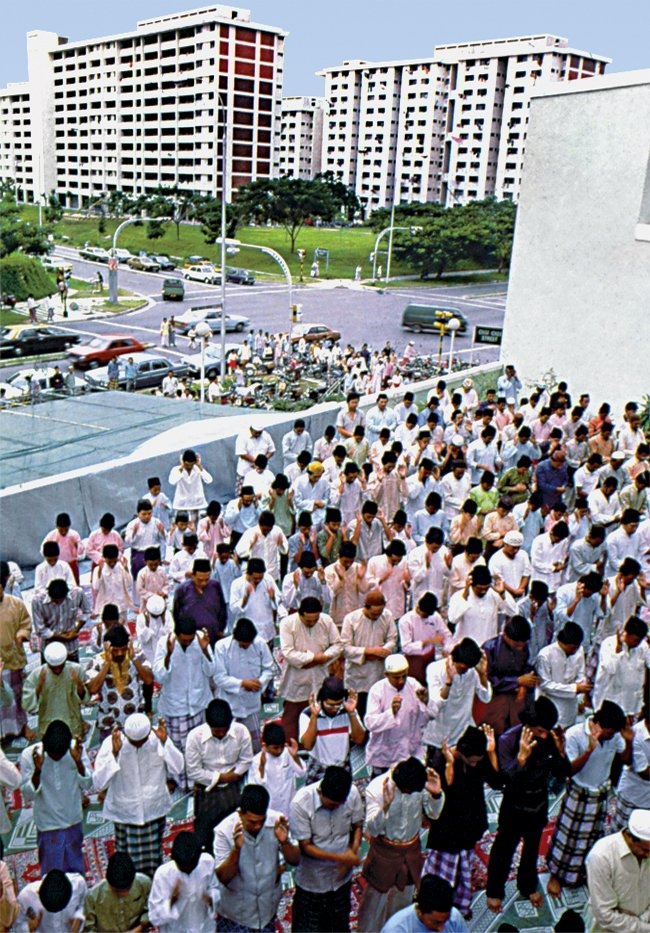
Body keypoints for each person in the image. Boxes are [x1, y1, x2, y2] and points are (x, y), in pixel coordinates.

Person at [485, 697, 571, 913]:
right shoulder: (508, 740)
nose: (544, 736)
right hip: (514, 807)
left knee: (532, 849)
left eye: (546, 731)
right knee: (504, 849)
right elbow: (502, 781)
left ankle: (527, 884)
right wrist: (521, 760)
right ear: (528, 725)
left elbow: (562, 774)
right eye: (540, 730)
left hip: (538, 804)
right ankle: (494, 890)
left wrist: (561, 753)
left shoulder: (550, 738)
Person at [546, 700, 631, 897]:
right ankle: (556, 875)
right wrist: (589, 750)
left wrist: (627, 740)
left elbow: (626, 759)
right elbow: (570, 770)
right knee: (567, 838)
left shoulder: (614, 736)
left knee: (590, 839)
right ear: (598, 723)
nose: (611, 736)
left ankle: (581, 874)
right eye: (609, 732)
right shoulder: (575, 734)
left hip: (599, 793)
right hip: (579, 792)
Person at [357, 758, 444, 932]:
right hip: (385, 852)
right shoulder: (376, 788)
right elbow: (373, 830)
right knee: (374, 903)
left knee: (403, 899)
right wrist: (386, 807)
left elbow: (434, 814)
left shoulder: (420, 780)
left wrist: (436, 795)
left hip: (411, 851)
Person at [423, 725, 501, 921]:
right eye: (472, 761)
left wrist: (491, 753)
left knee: (464, 869)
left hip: (470, 823)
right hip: (448, 828)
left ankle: (460, 905)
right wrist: (449, 765)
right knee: (443, 875)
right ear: (462, 753)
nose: (475, 764)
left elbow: (497, 780)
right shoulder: (442, 761)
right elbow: (445, 792)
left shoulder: (479, 758)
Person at [93, 712, 183, 877]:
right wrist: (114, 754)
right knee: (127, 865)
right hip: (125, 812)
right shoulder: (112, 743)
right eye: (134, 743)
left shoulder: (158, 737)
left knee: (154, 860)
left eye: (142, 742)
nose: (138, 746)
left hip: (153, 809)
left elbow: (178, 767)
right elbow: (98, 783)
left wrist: (165, 744)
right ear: (126, 735)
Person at [213, 784, 301, 933]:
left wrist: (285, 842)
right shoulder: (224, 831)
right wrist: (237, 849)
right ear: (241, 813)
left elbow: (295, 860)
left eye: (262, 820)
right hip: (236, 914)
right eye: (252, 822)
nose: (258, 826)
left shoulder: (276, 822)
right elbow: (223, 877)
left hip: (267, 909)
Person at [289, 765, 364, 933]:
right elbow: (305, 846)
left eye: (339, 805)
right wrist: (342, 859)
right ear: (320, 792)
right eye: (331, 805)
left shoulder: (352, 794)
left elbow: (357, 825)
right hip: (312, 881)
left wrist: (353, 850)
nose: (335, 808)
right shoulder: (301, 803)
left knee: (338, 926)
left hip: (340, 881)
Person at [21, 720, 92, 875]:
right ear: (44, 741)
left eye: (60, 756)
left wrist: (78, 762)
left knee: (76, 869)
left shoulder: (76, 750)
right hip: (48, 824)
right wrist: (37, 771)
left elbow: (88, 784)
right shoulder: (29, 755)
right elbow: (28, 795)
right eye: (53, 756)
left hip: (73, 818)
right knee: (52, 873)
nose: (57, 759)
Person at [153, 617, 215, 789]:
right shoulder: (163, 643)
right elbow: (160, 676)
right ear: (176, 634)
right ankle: (178, 780)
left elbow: (212, 670)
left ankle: (198, 779)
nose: (187, 643)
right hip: (176, 706)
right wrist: (168, 654)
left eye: (190, 640)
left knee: (198, 746)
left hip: (198, 703)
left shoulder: (200, 640)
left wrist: (205, 650)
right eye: (183, 640)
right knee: (177, 747)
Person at [185, 698, 253, 854]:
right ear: (209, 725)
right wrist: (221, 778)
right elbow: (194, 771)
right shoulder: (195, 737)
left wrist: (234, 775)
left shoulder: (241, 731)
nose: (221, 734)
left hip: (233, 787)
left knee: (235, 829)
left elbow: (246, 759)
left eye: (225, 730)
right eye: (217, 731)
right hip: (207, 789)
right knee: (205, 834)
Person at [279, 596, 342, 741]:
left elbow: (338, 645)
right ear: (300, 614)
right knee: (292, 718)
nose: (312, 623)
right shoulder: (288, 623)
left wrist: (325, 657)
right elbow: (288, 653)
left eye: (315, 620)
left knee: (319, 714)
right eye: (308, 621)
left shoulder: (326, 620)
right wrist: (313, 658)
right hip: (295, 677)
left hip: (320, 673)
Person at [213, 617, 274, 751]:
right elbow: (219, 677)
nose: (246, 646)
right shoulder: (222, 647)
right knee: (229, 746)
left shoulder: (260, 644)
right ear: (235, 638)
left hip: (251, 705)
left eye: (249, 643)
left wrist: (260, 683)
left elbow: (269, 669)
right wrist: (242, 684)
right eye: (243, 644)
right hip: (230, 705)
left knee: (254, 746)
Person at [365, 654, 431, 777]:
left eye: (404, 676)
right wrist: (392, 713)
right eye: (396, 677)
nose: (401, 681)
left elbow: (426, 719)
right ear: (386, 675)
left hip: (409, 749)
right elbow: (370, 723)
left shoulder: (413, 685)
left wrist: (425, 702)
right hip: (384, 752)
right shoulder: (377, 690)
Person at [423, 638, 490, 757]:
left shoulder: (472, 671)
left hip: (463, 732)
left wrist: (483, 674)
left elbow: (486, 698)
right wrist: (449, 681)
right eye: (462, 668)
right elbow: (436, 707)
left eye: (468, 668)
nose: (465, 671)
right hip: (438, 734)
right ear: (453, 659)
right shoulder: (434, 669)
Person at [585, 809, 650, 932]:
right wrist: (643, 928)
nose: (648, 856)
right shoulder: (601, 856)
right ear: (629, 837)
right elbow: (605, 915)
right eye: (645, 850)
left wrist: (644, 919)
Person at [85, 624, 153, 739]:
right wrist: (106, 664)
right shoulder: (97, 662)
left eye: (123, 649)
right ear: (107, 647)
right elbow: (92, 689)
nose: (120, 654)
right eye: (115, 650)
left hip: (134, 720)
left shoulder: (136, 655)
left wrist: (134, 659)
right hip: (109, 722)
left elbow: (148, 680)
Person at [340, 590, 398, 719]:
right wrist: (368, 651)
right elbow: (344, 648)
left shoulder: (387, 616)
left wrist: (382, 651)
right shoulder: (351, 619)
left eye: (379, 613)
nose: (377, 616)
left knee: (377, 714)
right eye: (374, 613)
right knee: (357, 714)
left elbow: (392, 640)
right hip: (357, 678)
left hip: (378, 672)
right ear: (365, 607)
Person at [299, 677, 365, 784]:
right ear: (321, 700)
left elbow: (359, 739)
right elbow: (307, 745)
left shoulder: (348, 711)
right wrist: (314, 717)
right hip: (318, 765)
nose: (335, 708)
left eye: (338, 704)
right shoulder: (307, 714)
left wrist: (352, 713)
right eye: (330, 705)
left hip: (342, 765)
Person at [148, 830, 216, 933]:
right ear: (172, 857)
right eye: (183, 870)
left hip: (204, 928)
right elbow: (154, 917)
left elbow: (216, 891)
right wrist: (172, 901)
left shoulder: (207, 862)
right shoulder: (163, 875)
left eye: (191, 869)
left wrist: (210, 898)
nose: (188, 873)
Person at [481, 615, 539, 737]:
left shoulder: (523, 647)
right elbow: (489, 681)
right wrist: (517, 681)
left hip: (518, 702)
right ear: (506, 636)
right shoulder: (490, 649)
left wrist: (524, 685)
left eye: (523, 644)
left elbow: (527, 668)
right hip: (496, 703)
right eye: (517, 645)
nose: (520, 648)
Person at [23, 640, 87, 739]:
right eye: (53, 668)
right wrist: (39, 686)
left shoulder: (76, 669)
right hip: (48, 723)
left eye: (60, 667)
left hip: (72, 722)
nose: (57, 670)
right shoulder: (36, 675)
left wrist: (79, 684)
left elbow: (84, 699)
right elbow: (28, 705)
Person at [592, 615, 650, 718]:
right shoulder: (608, 644)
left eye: (639, 641)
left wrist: (639, 706)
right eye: (635, 640)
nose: (637, 644)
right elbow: (610, 668)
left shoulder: (642, 647)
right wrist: (618, 650)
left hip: (632, 704)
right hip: (609, 701)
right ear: (626, 633)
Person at [536, 622, 590, 727]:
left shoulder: (579, 652)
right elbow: (545, 685)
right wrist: (574, 689)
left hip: (571, 707)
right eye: (573, 648)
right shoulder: (545, 655)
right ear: (565, 643)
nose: (576, 651)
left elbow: (581, 676)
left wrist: (580, 699)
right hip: (552, 706)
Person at [447, 565, 516, 646]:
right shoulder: (459, 596)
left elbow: (513, 612)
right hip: (466, 647)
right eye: (479, 589)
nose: (483, 591)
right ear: (471, 584)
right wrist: (465, 595)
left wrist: (502, 593)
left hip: (488, 647)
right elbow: (452, 619)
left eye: (486, 588)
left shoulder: (495, 594)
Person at [83, 852, 152, 933]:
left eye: (127, 889)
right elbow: (88, 928)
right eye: (117, 891)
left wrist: (140, 927)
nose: (123, 894)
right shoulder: (93, 897)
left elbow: (153, 910)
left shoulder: (144, 884)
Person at [247, 720, 305, 815]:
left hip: (289, 805)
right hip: (270, 808)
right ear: (264, 746)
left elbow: (301, 774)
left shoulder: (288, 753)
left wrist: (295, 757)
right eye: (275, 748)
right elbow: (256, 787)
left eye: (282, 747)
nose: (279, 751)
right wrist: (262, 766)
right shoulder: (256, 760)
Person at [0, 577, 32, 739]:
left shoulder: (15, 603)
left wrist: (21, 635)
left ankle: (22, 726)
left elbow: (26, 623)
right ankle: (3, 732)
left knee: (18, 695)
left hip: (13, 656)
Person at [379, 874, 468, 932]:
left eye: (445, 921)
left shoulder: (455, 917)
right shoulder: (396, 929)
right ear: (420, 910)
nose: (441, 929)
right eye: (436, 922)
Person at [398, 592, 452, 685]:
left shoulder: (435, 617)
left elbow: (446, 634)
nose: (426, 617)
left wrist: (447, 649)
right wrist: (427, 642)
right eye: (424, 614)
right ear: (418, 608)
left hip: (430, 658)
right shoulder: (406, 620)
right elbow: (406, 647)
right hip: (413, 660)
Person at [172, 558, 227, 645]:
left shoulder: (215, 586)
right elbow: (176, 613)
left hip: (213, 635)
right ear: (192, 576)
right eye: (200, 580)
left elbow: (222, 609)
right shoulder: (182, 590)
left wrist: (221, 629)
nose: (204, 583)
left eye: (207, 579)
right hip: (190, 638)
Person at [31, 579, 86, 662]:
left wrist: (76, 629)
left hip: (71, 647)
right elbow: (39, 629)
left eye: (61, 600)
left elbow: (87, 612)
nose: (58, 603)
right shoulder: (37, 601)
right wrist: (59, 636)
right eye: (55, 601)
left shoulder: (77, 593)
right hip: (49, 648)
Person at [16, 869, 87, 933]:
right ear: (38, 892)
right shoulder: (26, 896)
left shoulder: (78, 884)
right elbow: (17, 926)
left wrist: (79, 917)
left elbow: (85, 904)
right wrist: (28, 928)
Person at [168, 449, 213, 524]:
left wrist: (199, 466)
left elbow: (209, 480)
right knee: (181, 524)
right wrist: (182, 467)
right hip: (181, 503)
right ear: (183, 462)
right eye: (187, 464)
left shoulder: (197, 469)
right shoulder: (177, 469)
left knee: (195, 524)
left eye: (191, 465)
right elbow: (172, 481)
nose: (189, 467)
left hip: (196, 502)